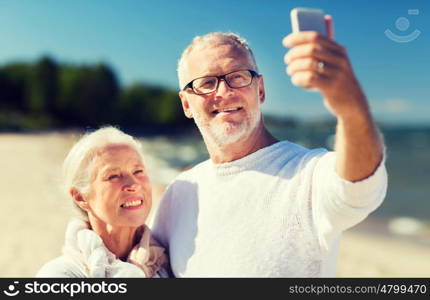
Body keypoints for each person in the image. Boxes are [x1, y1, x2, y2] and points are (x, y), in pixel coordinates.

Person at [151, 17, 388, 277]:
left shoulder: (307, 175)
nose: (224, 92)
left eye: (237, 77)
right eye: (207, 83)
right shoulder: (178, 194)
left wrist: (350, 106)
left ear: (260, 89)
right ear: (186, 104)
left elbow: (359, 189)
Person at [37, 127, 169, 277]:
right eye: (113, 176)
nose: (133, 184)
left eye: (138, 171)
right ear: (80, 197)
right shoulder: (60, 274)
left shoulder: (167, 264)